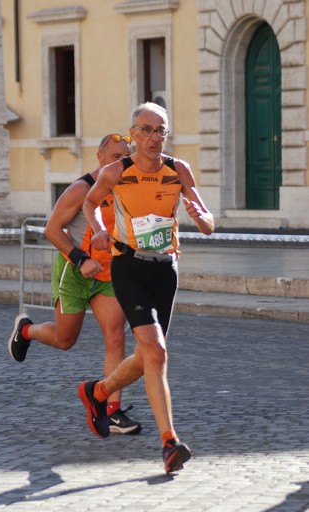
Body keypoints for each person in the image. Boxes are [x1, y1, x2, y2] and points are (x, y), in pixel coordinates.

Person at [79, 102, 215, 474]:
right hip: (128, 267)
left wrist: (203, 218)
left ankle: (99, 392)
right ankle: (169, 441)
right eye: (147, 130)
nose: (154, 138)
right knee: (155, 350)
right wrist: (101, 230)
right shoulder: (116, 171)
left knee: (147, 356)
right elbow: (90, 203)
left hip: (166, 270)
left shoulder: (178, 170)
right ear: (134, 133)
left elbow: (207, 221)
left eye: (161, 131)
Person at [8, 134, 142, 435]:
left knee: (116, 337)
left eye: (125, 156)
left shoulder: (129, 187)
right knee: (65, 340)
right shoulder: (80, 189)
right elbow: (52, 230)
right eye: (115, 156)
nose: (121, 161)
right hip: (74, 271)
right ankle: (26, 330)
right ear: (100, 157)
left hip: (108, 275)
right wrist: (82, 260)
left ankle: (112, 410)